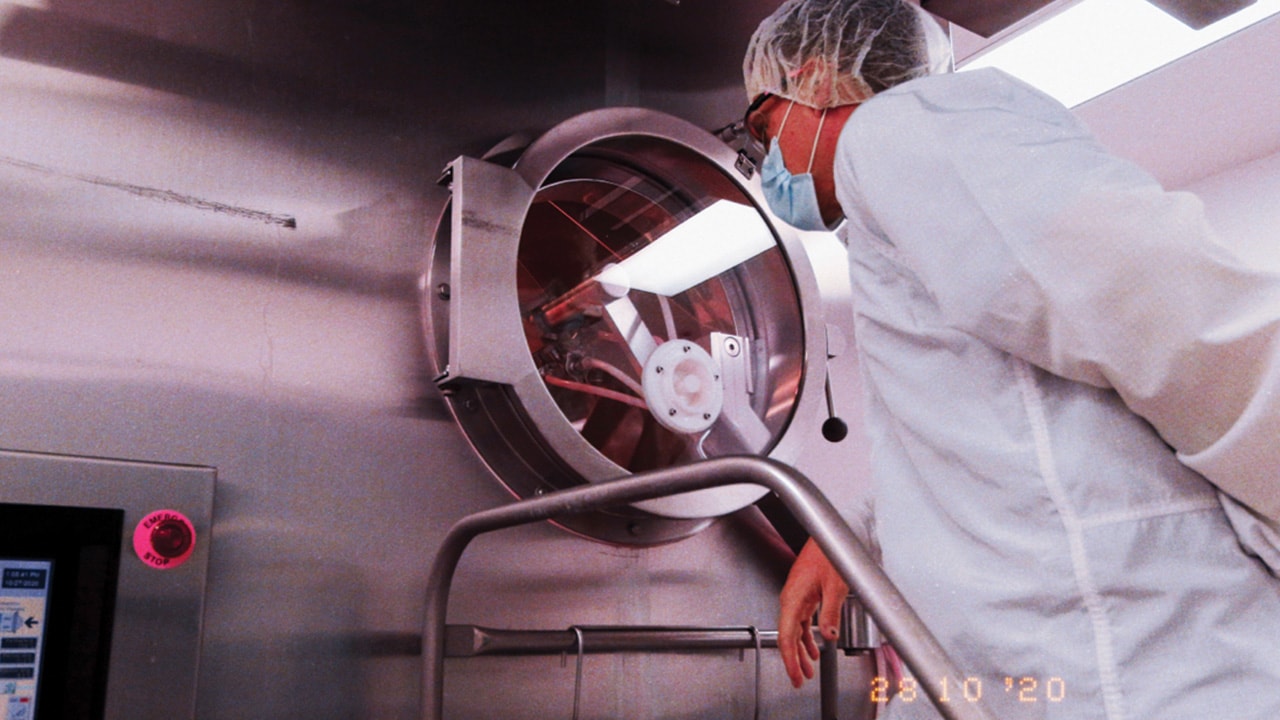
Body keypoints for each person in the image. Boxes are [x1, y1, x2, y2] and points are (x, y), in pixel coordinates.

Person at [739, 1, 1280, 718]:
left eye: (763, 128)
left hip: (1135, 673)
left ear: (810, 78)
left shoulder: (907, 126)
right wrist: (852, 531)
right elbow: (997, 423)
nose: (766, 161)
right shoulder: (896, 197)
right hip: (1059, 669)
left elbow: (1186, 323)